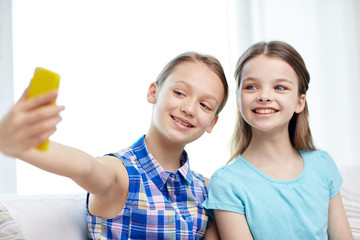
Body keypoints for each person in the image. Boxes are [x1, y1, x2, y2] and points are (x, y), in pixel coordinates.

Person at [0, 51, 229, 239]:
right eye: (180, 93)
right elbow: (87, 167)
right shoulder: (120, 173)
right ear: (153, 92)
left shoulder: (208, 190)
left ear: (212, 122)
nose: (189, 108)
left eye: (205, 105)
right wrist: (22, 146)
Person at [202, 41, 353, 239]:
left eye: (280, 87)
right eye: (251, 86)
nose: (264, 96)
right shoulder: (227, 182)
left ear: (300, 102)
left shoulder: (322, 164)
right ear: (239, 99)